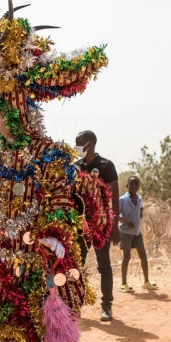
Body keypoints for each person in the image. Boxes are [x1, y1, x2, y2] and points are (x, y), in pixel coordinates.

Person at [75, 130, 120, 321]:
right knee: (77, 265)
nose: (77, 148)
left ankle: (106, 306)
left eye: (79, 144)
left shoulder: (106, 166)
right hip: (80, 225)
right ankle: (75, 304)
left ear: (90, 144)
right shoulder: (75, 167)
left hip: (101, 224)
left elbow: (115, 197)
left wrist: (115, 225)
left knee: (104, 266)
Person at [117, 176, 158, 293]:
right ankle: (123, 284)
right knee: (127, 257)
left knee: (143, 256)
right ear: (127, 186)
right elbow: (115, 216)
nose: (134, 186)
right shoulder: (122, 200)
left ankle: (146, 282)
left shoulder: (139, 198)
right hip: (125, 232)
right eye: (131, 184)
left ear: (139, 187)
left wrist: (140, 215)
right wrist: (126, 221)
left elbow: (141, 210)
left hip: (136, 232)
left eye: (136, 184)